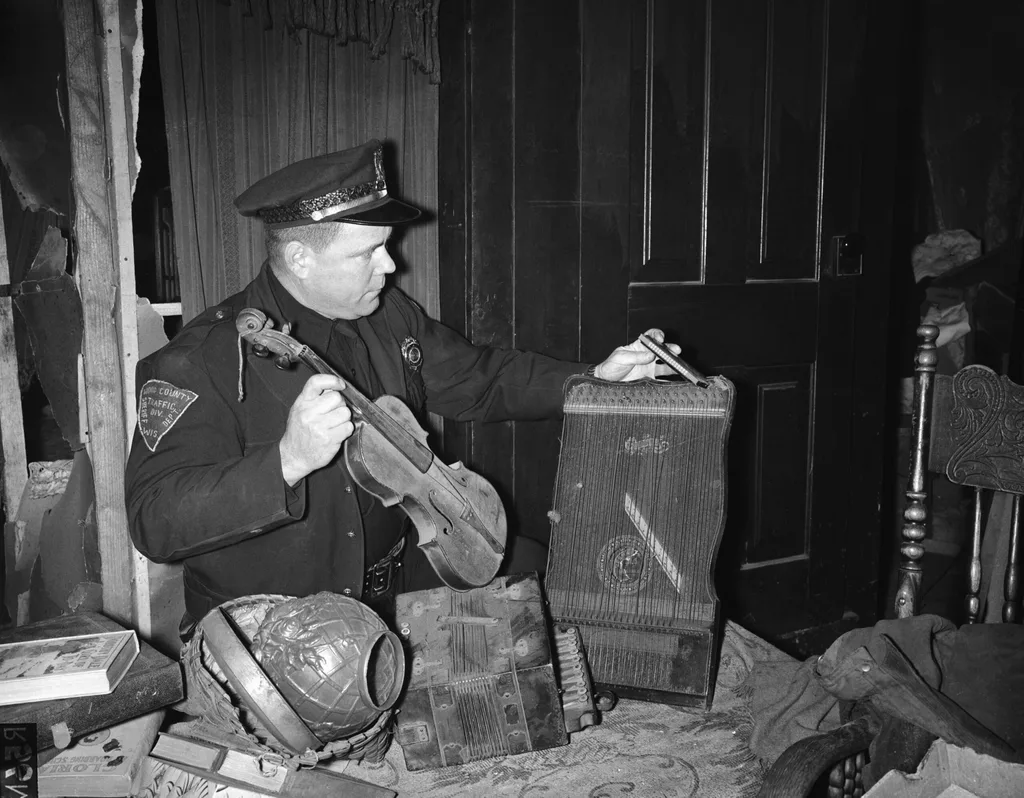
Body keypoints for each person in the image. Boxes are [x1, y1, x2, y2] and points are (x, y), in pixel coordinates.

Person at [124, 139, 681, 641]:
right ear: (300, 258)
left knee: (536, 574)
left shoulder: (387, 315)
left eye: (385, 246)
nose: (390, 265)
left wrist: (593, 379)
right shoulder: (198, 361)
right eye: (366, 253)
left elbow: (481, 378)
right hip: (283, 627)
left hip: (397, 581)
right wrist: (286, 461)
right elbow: (154, 520)